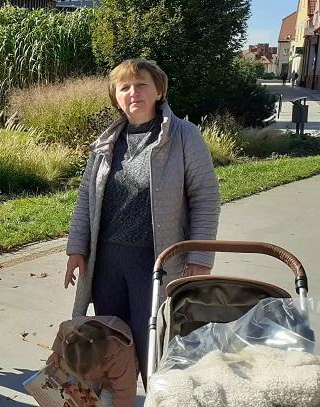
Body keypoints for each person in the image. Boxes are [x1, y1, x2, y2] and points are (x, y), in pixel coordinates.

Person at [62, 58, 220, 386]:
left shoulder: (183, 136)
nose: (133, 92)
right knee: (110, 344)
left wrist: (200, 257)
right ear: (116, 97)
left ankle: (158, 398)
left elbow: (206, 197)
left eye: (141, 85)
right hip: (107, 261)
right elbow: (85, 199)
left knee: (156, 346)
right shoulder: (106, 143)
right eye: (124, 87)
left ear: (159, 90)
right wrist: (77, 249)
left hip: (156, 260)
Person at [46, 316, 138, 407]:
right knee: (77, 391)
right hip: (95, 375)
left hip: (113, 383)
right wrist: (56, 352)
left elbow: (125, 392)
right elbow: (61, 332)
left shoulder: (119, 354)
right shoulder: (71, 332)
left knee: (106, 402)